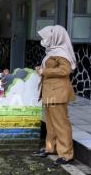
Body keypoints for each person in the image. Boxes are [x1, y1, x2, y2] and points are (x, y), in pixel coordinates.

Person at [32, 25, 76, 165]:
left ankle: (67, 154)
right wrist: (42, 69)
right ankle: (50, 148)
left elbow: (65, 70)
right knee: (50, 123)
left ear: (55, 37)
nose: (44, 40)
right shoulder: (52, 51)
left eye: (46, 37)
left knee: (61, 124)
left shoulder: (62, 52)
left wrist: (44, 72)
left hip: (58, 92)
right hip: (50, 92)